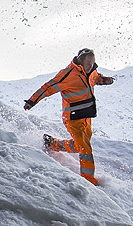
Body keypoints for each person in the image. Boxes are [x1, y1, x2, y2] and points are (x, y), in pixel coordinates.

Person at [23, 48, 115, 186]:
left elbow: (95, 78)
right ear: (79, 61)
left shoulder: (92, 71)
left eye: (92, 63)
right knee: (85, 148)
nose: (91, 66)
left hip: (86, 116)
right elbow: (48, 87)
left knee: (80, 145)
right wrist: (32, 101)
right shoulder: (68, 75)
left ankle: (52, 143)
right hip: (73, 118)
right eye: (88, 63)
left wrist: (104, 80)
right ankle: (88, 181)